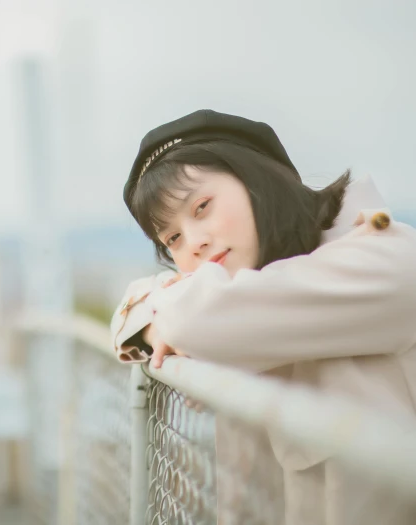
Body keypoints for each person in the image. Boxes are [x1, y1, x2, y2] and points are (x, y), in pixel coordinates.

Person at [110, 109, 416, 524]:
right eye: (173, 238)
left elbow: (194, 322)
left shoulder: (384, 259)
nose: (195, 243)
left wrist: (165, 319)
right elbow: (152, 298)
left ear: (256, 177)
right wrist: (157, 315)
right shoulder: (254, 293)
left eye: (201, 207)